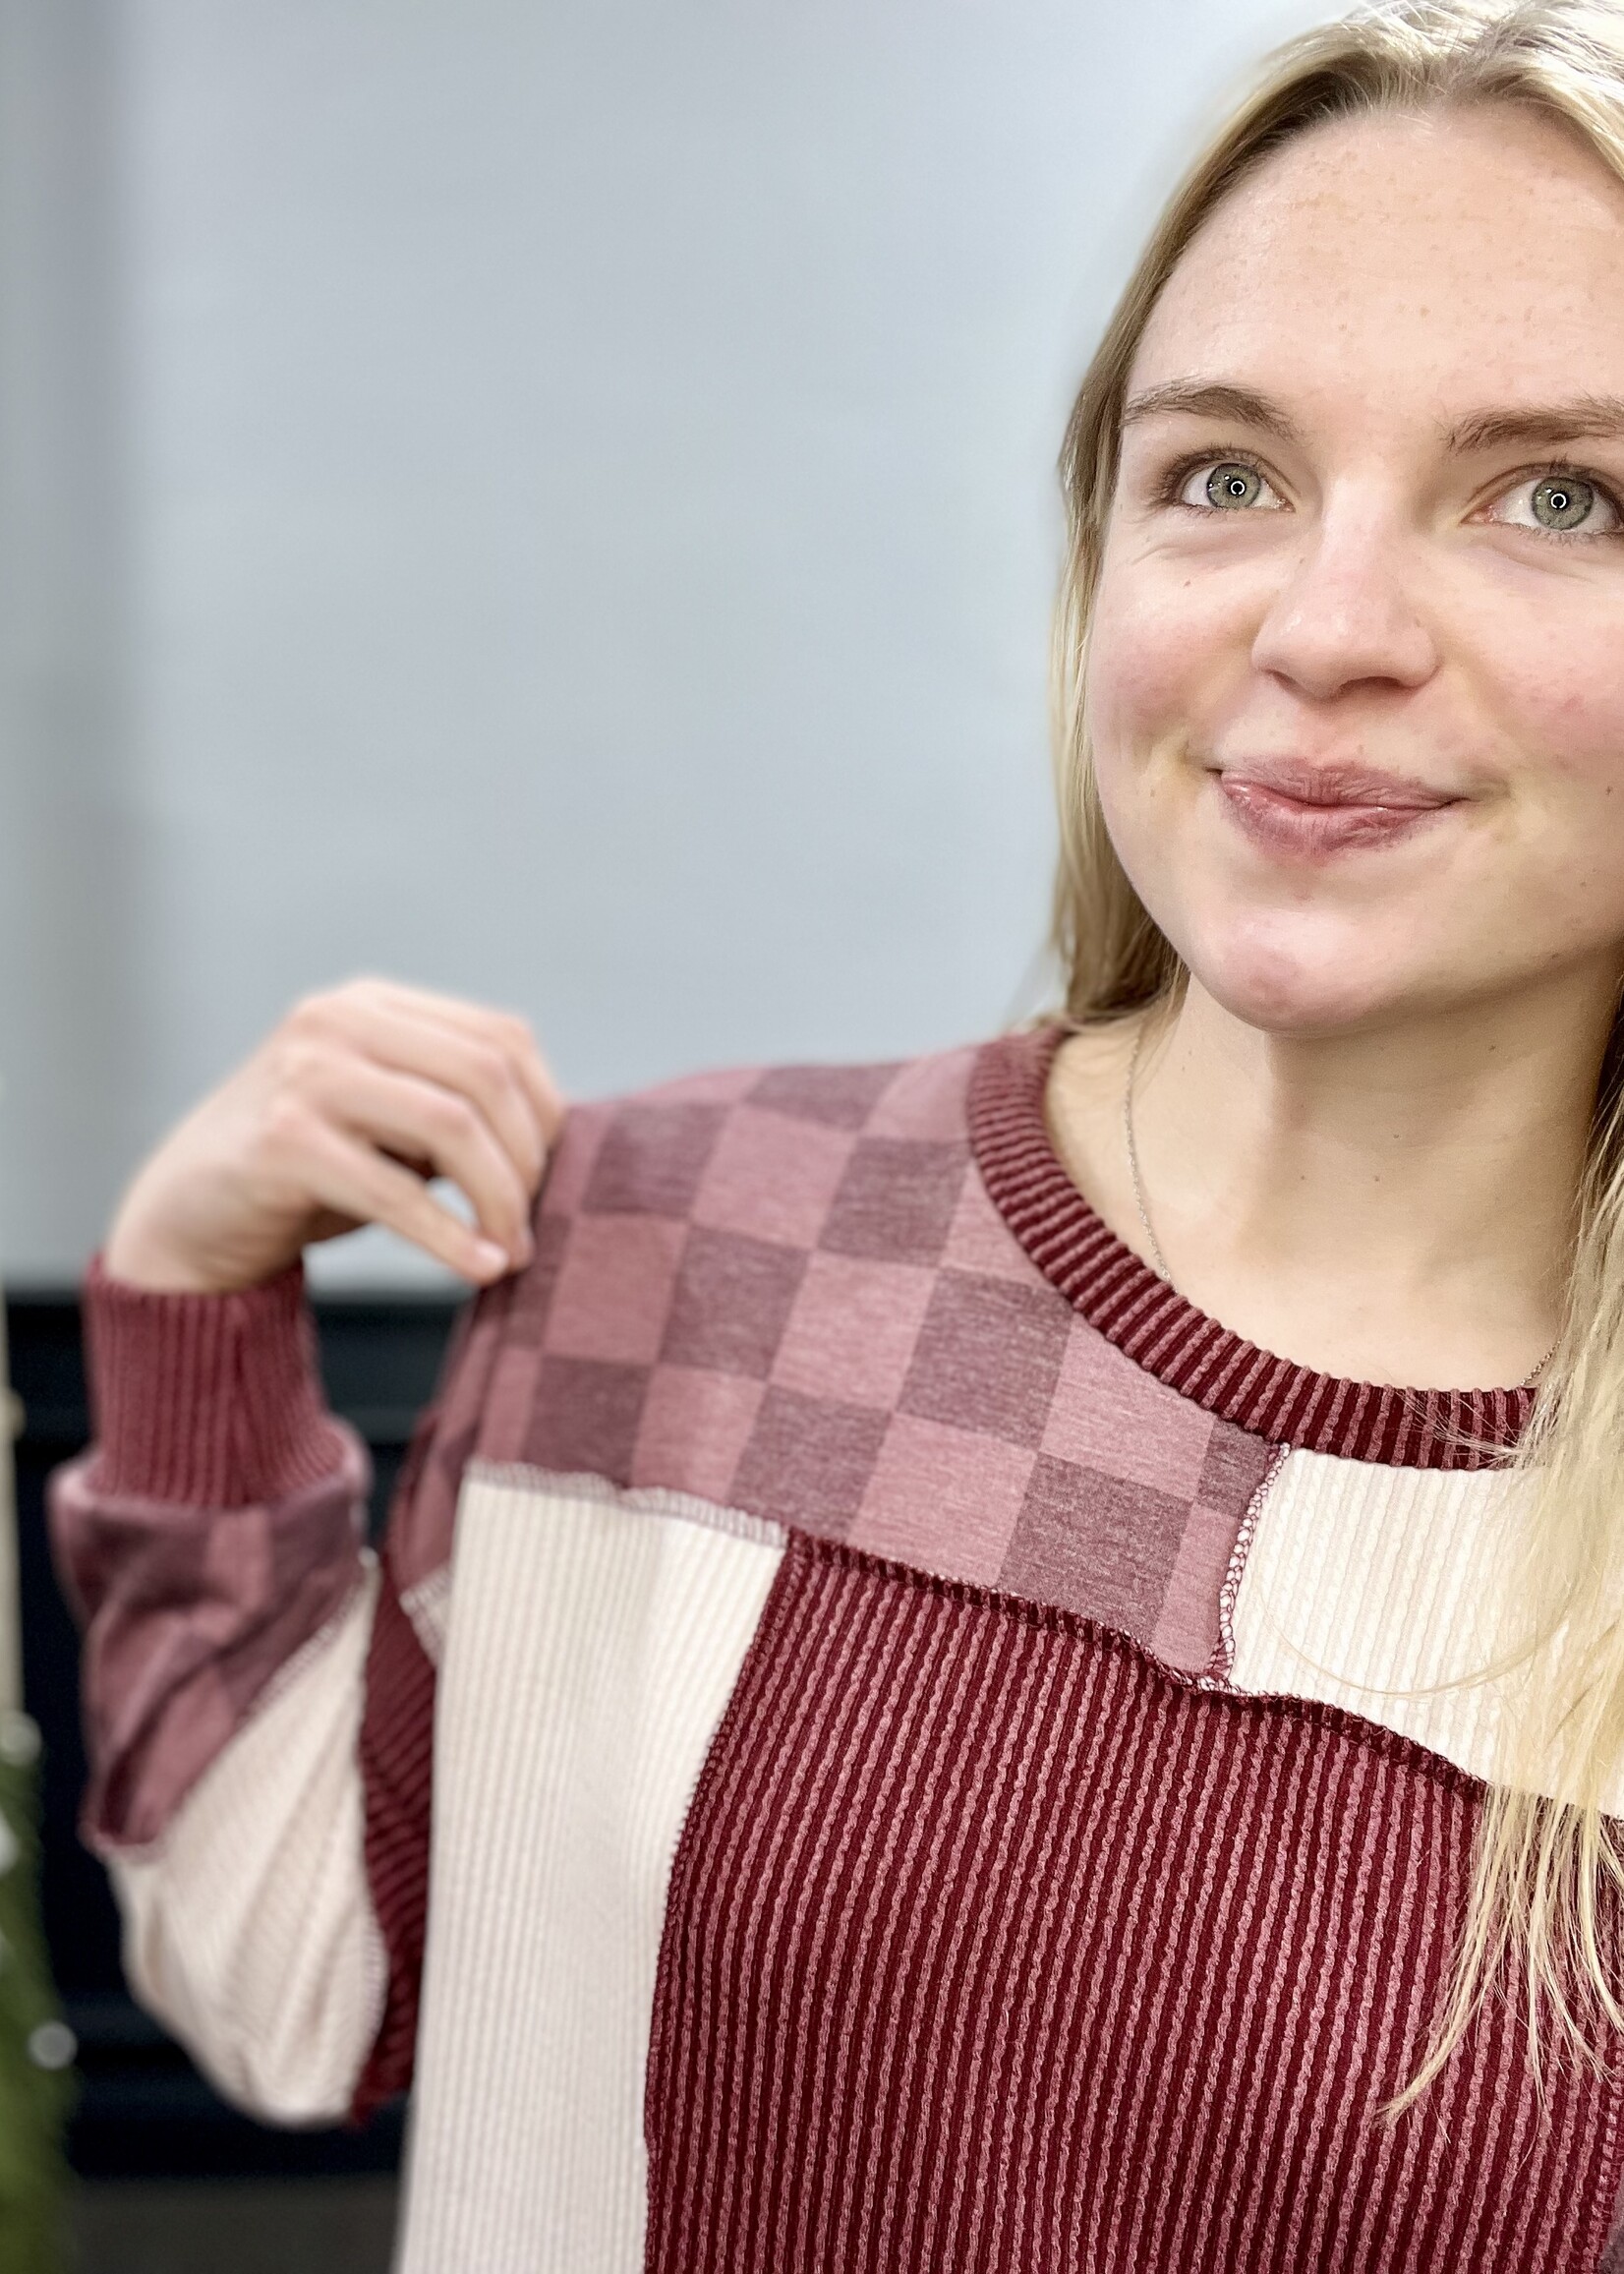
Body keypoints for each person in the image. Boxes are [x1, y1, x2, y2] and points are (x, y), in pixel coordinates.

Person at [47, 2, 1624, 2265]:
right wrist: (194, 1310)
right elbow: (297, 1985)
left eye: (1556, 494)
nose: (1326, 623)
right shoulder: (683, 1248)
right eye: (1223, 473)